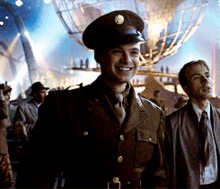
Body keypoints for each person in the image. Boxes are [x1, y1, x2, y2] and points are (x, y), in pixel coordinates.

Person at [16, 10, 169, 188]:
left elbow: (158, 178)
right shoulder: (64, 105)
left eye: (134, 52)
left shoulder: (153, 114)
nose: (127, 60)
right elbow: (36, 174)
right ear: (98, 56)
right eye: (116, 51)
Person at [165, 60, 220, 188]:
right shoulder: (173, 124)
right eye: (196, 77)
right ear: (186, 89)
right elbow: (164, 170)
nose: (205, 81)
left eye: (207, 75)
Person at [0, 83, 13, 188]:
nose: (8, 98)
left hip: (3, 150)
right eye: (6, 95)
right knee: (7, 181)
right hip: (1, 151)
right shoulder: (2, 110)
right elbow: (4, 113)